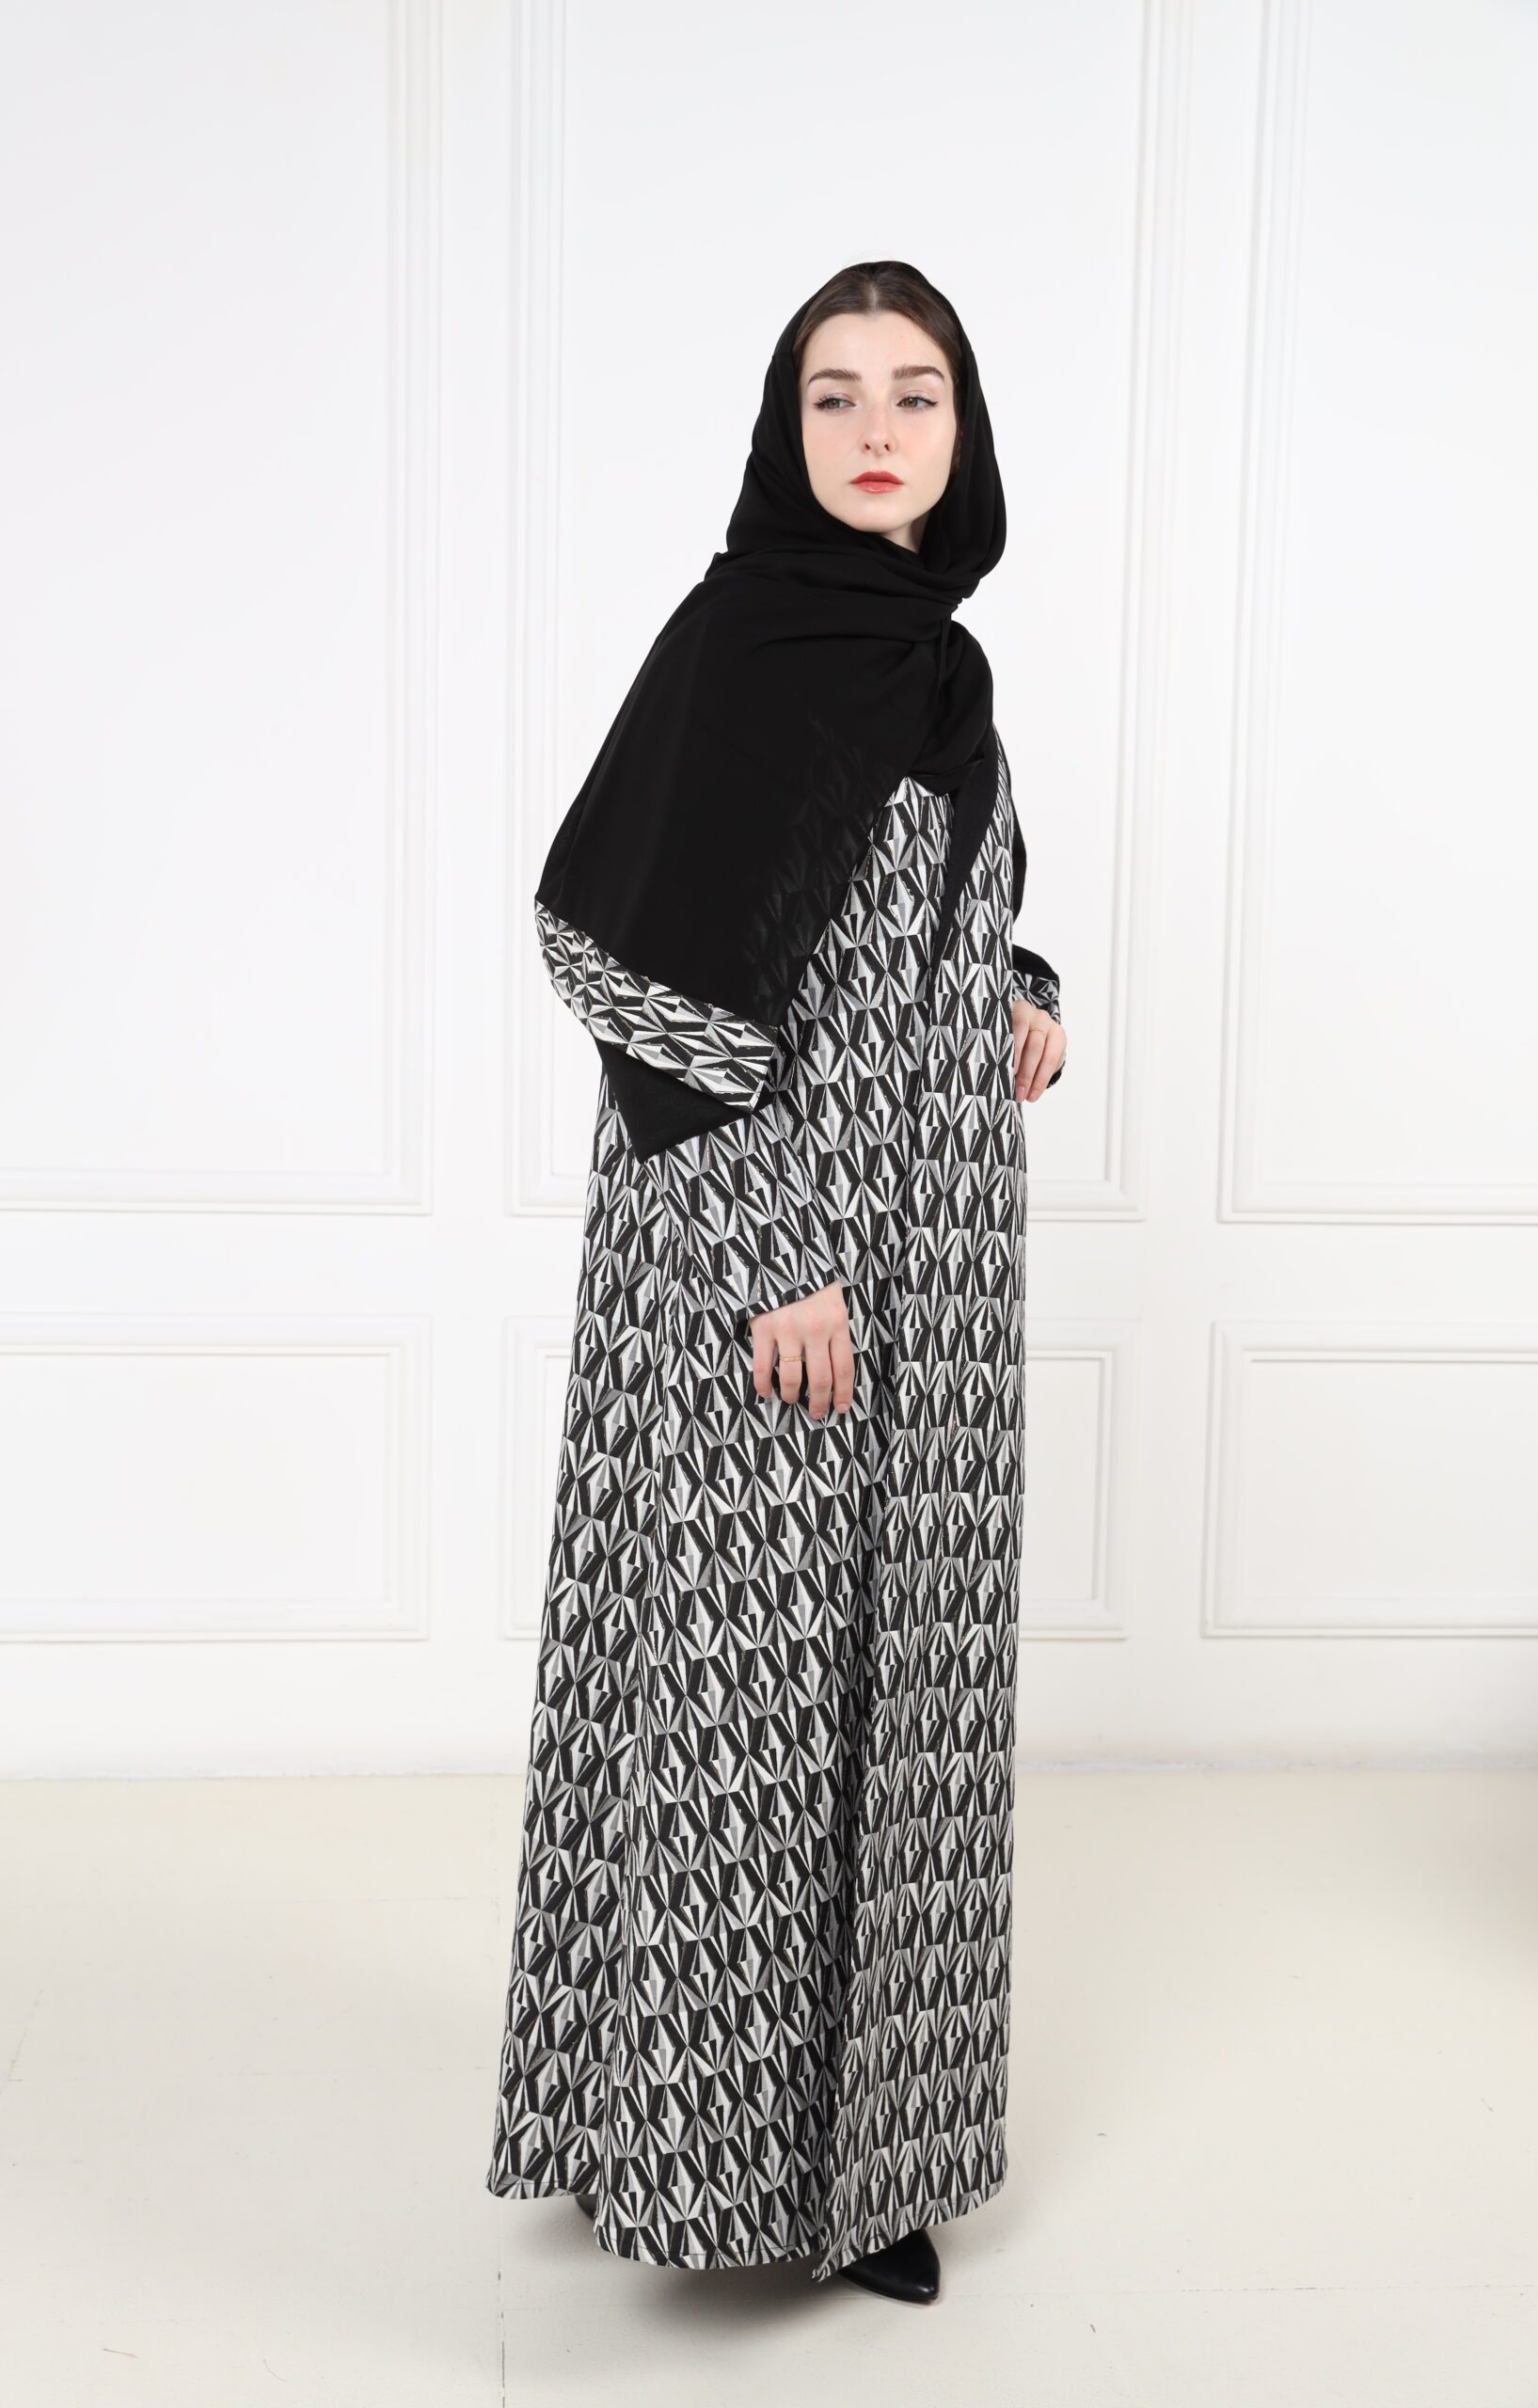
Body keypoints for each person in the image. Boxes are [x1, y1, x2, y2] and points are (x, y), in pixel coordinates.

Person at [486, 259, 1067, 2307]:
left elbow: (886, 906)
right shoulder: (743, 643)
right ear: (783, 427)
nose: (876, 428)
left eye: (915, 393)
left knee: (902, 1697)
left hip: (936, 1257)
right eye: (835, 395)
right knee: (744, 1697)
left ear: (963, 433)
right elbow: (625, 967)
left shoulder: (932, 666)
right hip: (780, 1257)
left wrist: (1017, 984)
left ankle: (864, 2164)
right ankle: (705, 2166)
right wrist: (769, 1261)